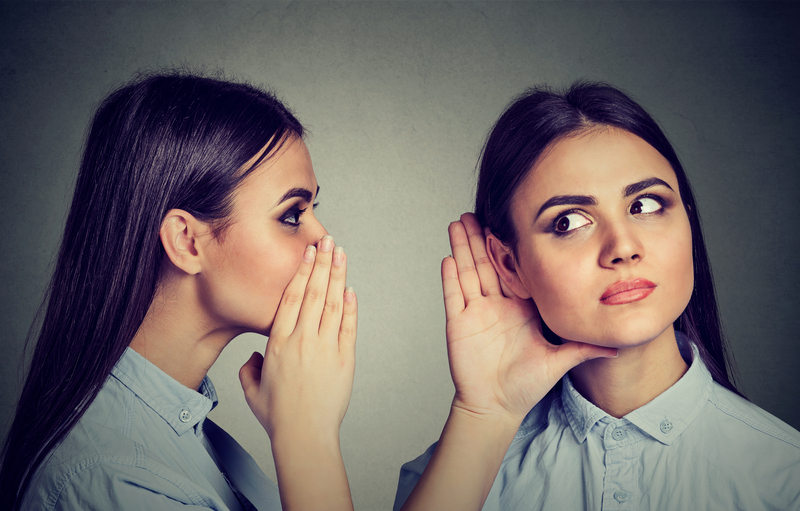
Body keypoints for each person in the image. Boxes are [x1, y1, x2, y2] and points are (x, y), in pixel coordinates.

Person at [394, 81, 800, 510]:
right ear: (511, 267)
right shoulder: (448, 481)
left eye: (645, 205)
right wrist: (486, 413)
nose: (623, 247)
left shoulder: (785, 479)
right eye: (568, 221)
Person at [0, 72, 357, 511]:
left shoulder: (187, 436)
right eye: (291, 215)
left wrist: (471, 408)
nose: (325, 241)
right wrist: (308, 437)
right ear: (187, 242)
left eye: (312, 210)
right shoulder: (114, 482)